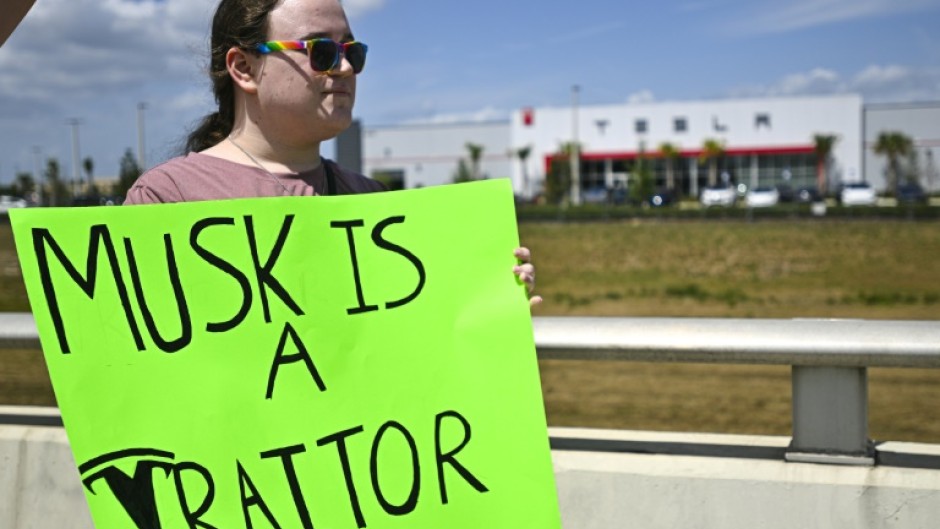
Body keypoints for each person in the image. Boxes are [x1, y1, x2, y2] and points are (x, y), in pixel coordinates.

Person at [124, 0, 540, 305]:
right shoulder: (168, 197)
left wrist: (492, 300)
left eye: (352, 52)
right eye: (320, 51)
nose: (344, 67)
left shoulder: (375, 203)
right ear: (244, 69)